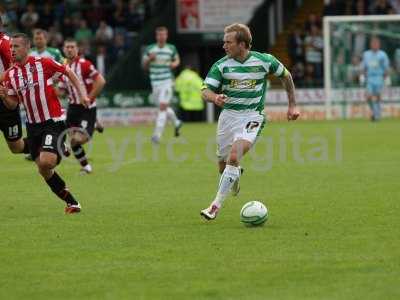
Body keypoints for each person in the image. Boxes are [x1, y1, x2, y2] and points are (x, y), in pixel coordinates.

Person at [200, 23, 300, 221]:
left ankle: (215, 206)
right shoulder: (222, 65)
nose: (224, 46)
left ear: (242, 44)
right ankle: (234, 175)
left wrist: (292, 105)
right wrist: (215, 98)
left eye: (228, 42)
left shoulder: (265, 61)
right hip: (228, 117)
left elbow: (286, 76)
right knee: (223, 166)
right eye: (224, 42)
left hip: (252, 116)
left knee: (234, 156)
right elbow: (205, 90)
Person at [0, 33, 90, 214]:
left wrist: (83, 94)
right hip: (33, 126)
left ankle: (60, 146)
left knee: (46, 161)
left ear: (26, 48)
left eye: (16, 46)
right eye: (11, 47)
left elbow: (69, 72)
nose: (12, 50)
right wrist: (4, 98)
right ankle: (73, 203)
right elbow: (13, 103)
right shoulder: (10, 75)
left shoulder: (43, 63)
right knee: (43, 169)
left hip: (52, 121)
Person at [59, 38, 106, 174]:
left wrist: (89, 98)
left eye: (72, 47)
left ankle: (94, 124)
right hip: (72, 108)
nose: (69, 49)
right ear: (64, 49)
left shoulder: (84, 64)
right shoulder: (63, 67)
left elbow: (101, 81)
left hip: (87, 108)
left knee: (76, 139)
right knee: (73, 141)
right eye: (67, 47)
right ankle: (86, 167)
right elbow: (62, 91)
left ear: (77, 49)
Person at [142, 26, 182, 144]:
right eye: (159, 35)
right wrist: (149, 59)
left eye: (164, 34)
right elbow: (144, 66)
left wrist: (174, 64)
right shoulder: (150, 49)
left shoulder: (171, 48)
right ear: (156, 36)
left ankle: (157, 135)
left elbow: (177, 60)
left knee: (162, 107)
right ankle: (177, 123)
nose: (162, 37)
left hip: (167, 81)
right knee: (161, 107)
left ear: (166, 35)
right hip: (155, 82)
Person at [0, 18, 30, 156]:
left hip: (5, 99)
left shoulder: (6, 43)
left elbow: (16, 67)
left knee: (16, 147)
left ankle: (47, 143)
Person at [361, 37, 390, 121]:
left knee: (378, 96)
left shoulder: (383, 55)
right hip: (370, 78)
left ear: (379, 44)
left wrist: (386, 78)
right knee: (368, 96)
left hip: (379, 77)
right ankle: (375, 112)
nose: (374, 45)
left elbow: (386, 68)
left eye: (376, 43)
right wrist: (362, 76)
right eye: (373, 43)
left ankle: (376, 115)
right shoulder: (366, 54)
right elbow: (364, 67)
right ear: (371, 44)